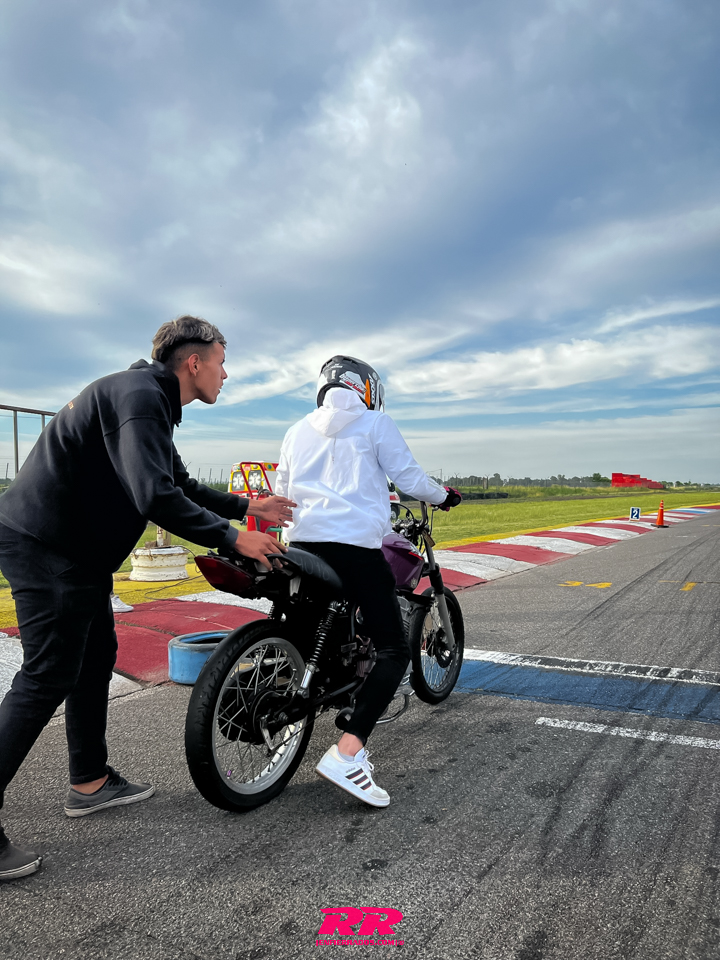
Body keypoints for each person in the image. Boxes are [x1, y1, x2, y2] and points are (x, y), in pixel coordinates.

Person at [0, 316, 296, 880]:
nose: (226, 374)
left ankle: (89, 781)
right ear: (194, 362)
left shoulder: (145, 398)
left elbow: (178, 482)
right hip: (46, 546)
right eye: (222, 362)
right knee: (48, 673)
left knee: (95, 659)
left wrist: (246, 507)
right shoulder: (139, 397)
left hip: (75, 553)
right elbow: (154, 495)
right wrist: (233, 538)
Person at [275, 355, 460, 808]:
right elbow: (409, 478)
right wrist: (445, 496)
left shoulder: (296, 430)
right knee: (395, 650)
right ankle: (348, 752)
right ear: (366, 388)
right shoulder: (376, 424)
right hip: (355, 550)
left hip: (300, 548)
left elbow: (282, 490)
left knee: (302, 629)